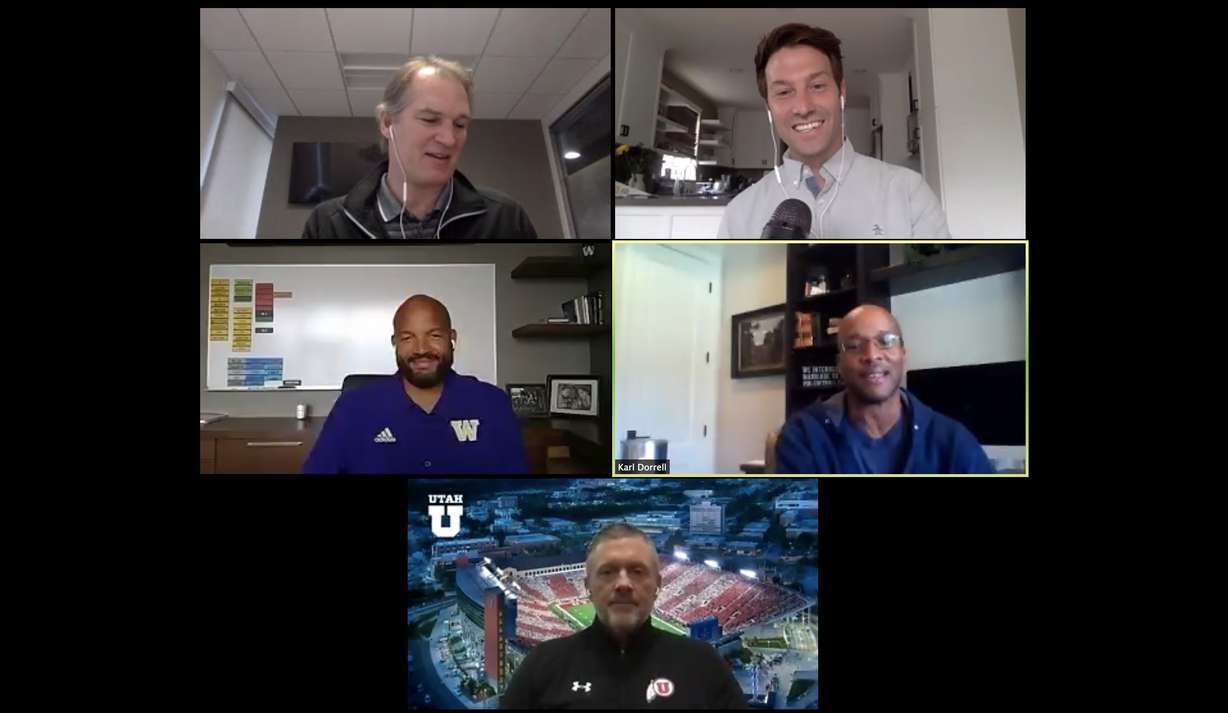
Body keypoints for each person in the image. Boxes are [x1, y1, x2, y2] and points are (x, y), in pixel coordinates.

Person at [717, 23, 949, 239]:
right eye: (784, 92)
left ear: (841, 92)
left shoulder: (908, 193)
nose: (803, 108)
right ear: (769, 107)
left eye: (817, 86)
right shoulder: (739, 213)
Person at [499, 524, 746, 709]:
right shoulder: (543, 665)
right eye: (607, 572)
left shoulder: (703, 663)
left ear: (658, 584)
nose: (623, 584)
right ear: (588, 585)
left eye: (637, 571)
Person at [302, 56, 538, 239]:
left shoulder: (506, 219)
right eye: (430, 119)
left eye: (460, 124)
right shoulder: (328, 223)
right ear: (387, 123)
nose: (449, 139)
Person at [302, 294, 528, 474]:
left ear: (452, 338)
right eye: (408, 338)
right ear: (395, 343)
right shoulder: (353, 408)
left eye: (434, 335)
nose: (421, 349)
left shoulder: (492, 404)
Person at [775, 304, 994, 473]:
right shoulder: (803, 436)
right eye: (854, 345)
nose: (871, 355)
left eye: (886, 341)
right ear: (839, 363)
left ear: (903, 355)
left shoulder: (952, 440)